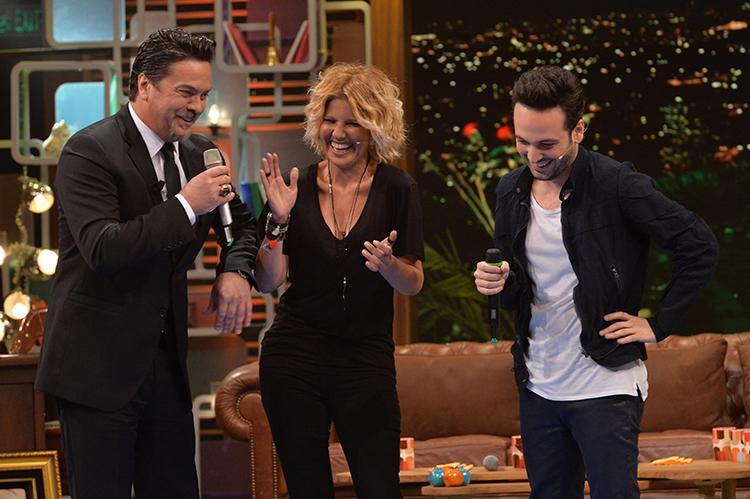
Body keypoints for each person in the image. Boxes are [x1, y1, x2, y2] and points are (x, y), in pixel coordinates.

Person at [473, 65, 718, 499]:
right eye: (522, 142)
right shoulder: (511, 190)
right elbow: (516, 291)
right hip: (538, 382)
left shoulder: (616, 183)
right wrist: (497, 281)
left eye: (547, 144)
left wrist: (658, 323)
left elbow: (699, 245)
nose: (533, 156)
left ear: (578, 130)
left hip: (605, 380)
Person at [36, 28, 258, 499]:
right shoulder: (89, 151)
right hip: (96, 369)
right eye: (186, 93)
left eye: (204, 95)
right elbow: (103, 249)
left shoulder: (201, 155)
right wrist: (186, 204)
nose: (197, 107)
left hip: (165, 367)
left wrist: (234, 271)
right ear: (144, 85)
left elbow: (243, 228)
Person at [255, 62, 424, 499]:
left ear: (375, 128)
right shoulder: (294, 188)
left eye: (353, 122)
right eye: (330, 120)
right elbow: (269, 281)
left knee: (380, 488)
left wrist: (388, 265)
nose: (339, 133)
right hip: (294, 357)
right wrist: (277, 222)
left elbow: (413, 283)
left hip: (364, 359)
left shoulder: (397, 189)